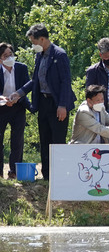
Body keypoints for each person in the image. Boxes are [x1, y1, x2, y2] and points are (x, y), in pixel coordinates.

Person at [9, 24, 76, 180]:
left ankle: (59, 177)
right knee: (44, 139)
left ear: (42, 39)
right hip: (43, 104)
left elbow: (66, 81)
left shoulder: (59, 55)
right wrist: (19, 93)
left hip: (58, 104)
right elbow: (35, 80)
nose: (33, 45)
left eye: (34, 42)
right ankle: (47, 177)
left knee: (57, 141)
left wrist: (62, 105)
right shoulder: (39, 55)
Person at [0, 43, 30, 179]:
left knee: (17, 140)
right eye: (5, 55)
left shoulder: (22, 68)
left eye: (10, 54)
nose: (8, 57)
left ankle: (14, 171)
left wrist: (17, 97)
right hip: (1, 107)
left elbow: (27, 87)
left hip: (18, 107)